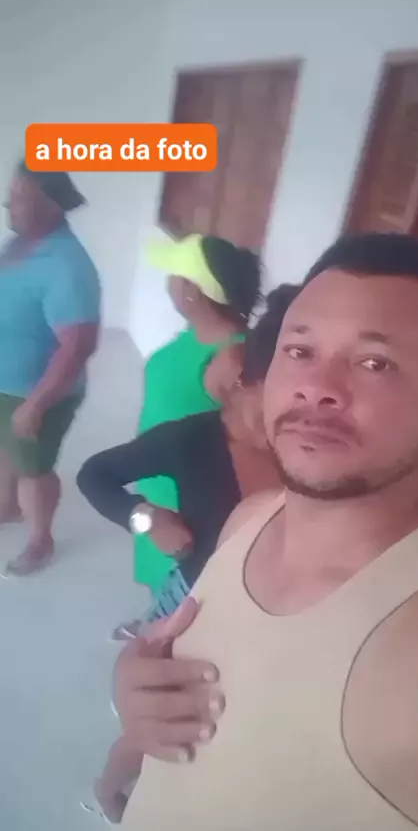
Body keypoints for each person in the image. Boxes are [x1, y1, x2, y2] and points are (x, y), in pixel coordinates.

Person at [114, 233, 418, 831]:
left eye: (374, 362)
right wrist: (134, 694)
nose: (318, 387)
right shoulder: (250, 519)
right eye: (300, 350)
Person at [76, 286, 294, 823]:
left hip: (266, 611)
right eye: (271, 404)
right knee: (157, 721)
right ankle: (108, 788)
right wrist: (146, 517)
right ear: (243, 381)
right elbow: (94, 474)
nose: (284, 424)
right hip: (193, 604)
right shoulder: (191, 440)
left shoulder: (304, 449)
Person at [117, 233, 262, 640]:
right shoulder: (194, 334)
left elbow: (252, 436)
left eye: (175, 276)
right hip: (159, 480)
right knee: (157, 568)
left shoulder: (232, 358)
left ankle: (165, 638)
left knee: (184, 580)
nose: (168, 284)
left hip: (187, 495)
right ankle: (155, 619)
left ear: (192, 291)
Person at [0, 160, 101, 576]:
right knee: (7, 449)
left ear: (53, 204)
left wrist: (37, 404)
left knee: (34, 468)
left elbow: (78, 346)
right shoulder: (18, 243)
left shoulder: (67, 264)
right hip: (7, 383)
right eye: (11, 193)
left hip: (37, 390)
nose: (8, 203)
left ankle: (40, 541)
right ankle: (7, 507)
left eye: (20, 197)